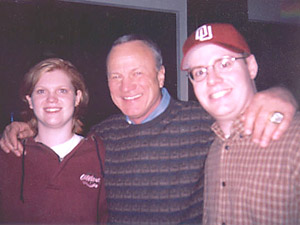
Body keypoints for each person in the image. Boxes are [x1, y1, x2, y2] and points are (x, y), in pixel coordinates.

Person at [0, 35, 298, 224]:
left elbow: (241, 110)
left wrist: (283, 93)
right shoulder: (101, 137)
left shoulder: (203, 122)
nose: (126, 86)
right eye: (115, 76)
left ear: (161, 75)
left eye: (137, 73)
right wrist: (27, 126)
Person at [181, 23, 300, 224]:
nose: (212, 79)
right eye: (200, 72)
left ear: (251, 66)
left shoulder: (294, 141)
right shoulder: (214, 148)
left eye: (225, 63)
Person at [0, 58, 108, 224]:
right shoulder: (7, 154)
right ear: (30, 101)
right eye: (41, 91)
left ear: (77, 97)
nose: (51, 99)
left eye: (62, 91)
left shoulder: (100, 152)